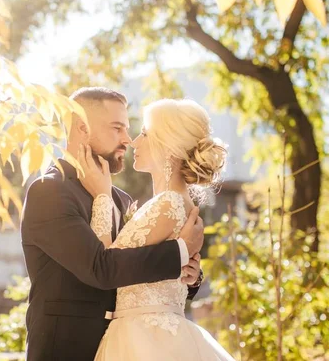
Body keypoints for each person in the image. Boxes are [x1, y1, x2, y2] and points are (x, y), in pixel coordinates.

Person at [21, 88, 205, 361]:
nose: (127, 140)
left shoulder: (121, 199)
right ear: (82, 128)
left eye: (129, 129)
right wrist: (179, 251)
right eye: (117, 128)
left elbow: (132, 271)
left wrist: (189, 274)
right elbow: (101, 268)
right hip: (68, 350)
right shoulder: (49, 191)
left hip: (131, 347)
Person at [78, 98, 235, 360]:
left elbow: (106, 264)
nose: (134, 142)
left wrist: (102, 196)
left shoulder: (169, 203)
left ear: (169, 147)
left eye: (145, 134)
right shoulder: (172, 204)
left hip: (144, 338)